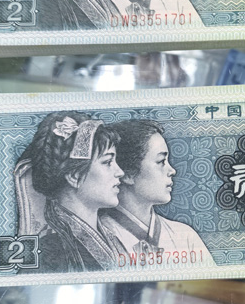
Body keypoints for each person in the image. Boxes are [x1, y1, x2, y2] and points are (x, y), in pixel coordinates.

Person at [15, 111, 125, 272]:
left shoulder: (112, 238)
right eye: (107, 162)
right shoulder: (48, 253)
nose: (120, 172)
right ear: (74, 176)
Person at [101, 119, 212, 261]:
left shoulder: (185, 237)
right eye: (161, 162)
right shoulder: (99, 237)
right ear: (127, 174)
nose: (172, 171)